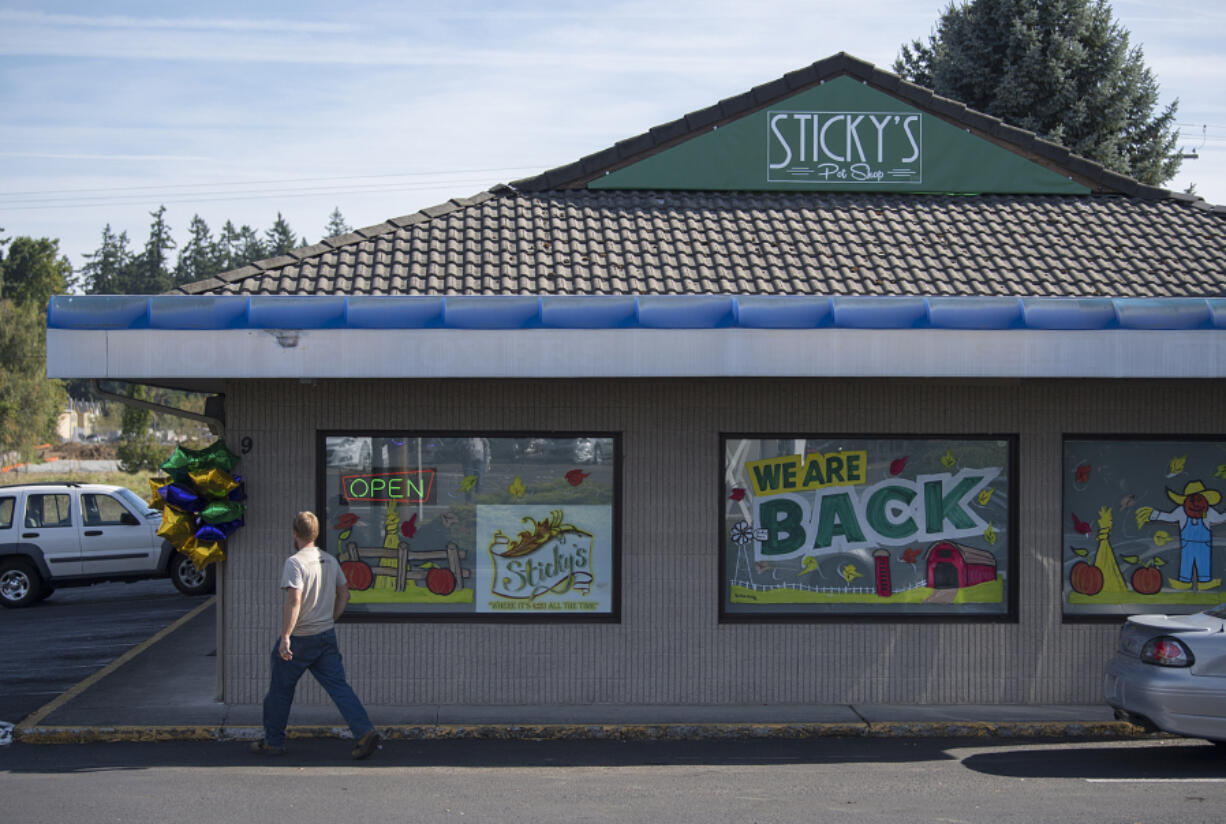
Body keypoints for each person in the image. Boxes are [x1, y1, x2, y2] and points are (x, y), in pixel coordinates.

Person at [250, 511, 382, 759]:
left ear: (295, 533)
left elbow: (294, 601)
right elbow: (345, 593)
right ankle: (364, 732)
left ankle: (273, 741)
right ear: (316, 533)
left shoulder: (295, 562)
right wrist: (331, 618)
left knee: (280, 690)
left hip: (301, 637)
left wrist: (286, 636)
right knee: (339, 687)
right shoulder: (330, 560)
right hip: (325, 635)